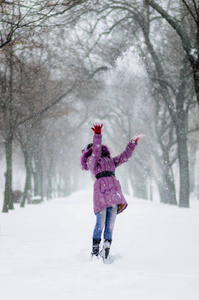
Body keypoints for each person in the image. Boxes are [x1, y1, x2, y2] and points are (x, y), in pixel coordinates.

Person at [80, 123, 145, 262]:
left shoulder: (110, 161)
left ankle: (105, 254)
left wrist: (133, 143)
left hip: (114, 194)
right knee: (100, 223)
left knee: (110, 225)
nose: (95, 149)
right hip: (102, 194)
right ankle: (95, 253)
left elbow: (124, 156)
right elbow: (96, 153)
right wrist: (97, 135)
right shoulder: (92, 161)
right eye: (92, 148)